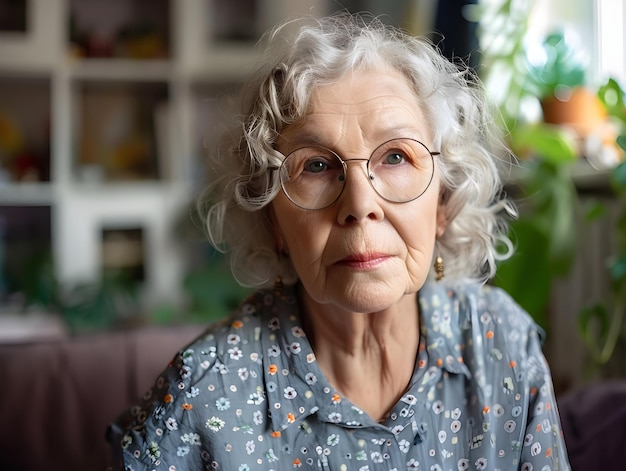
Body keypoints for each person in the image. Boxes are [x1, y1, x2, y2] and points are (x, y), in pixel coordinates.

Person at [108, 13, 571, 470]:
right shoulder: (202, 397)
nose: (360, 203)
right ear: (272, 219)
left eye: (395, 156)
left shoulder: (501, 346)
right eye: (315, 165)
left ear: (443, 204)